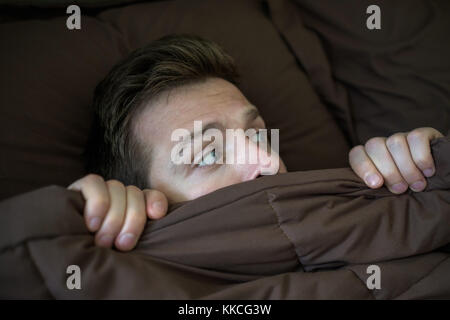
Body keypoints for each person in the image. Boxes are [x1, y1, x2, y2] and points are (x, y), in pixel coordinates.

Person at [67, 34, 444, 252]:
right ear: (144, 201)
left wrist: (433, 175)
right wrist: (67, 227)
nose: (267, 161)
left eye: (258, 135)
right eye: (209, 153)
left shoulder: (370, 213)